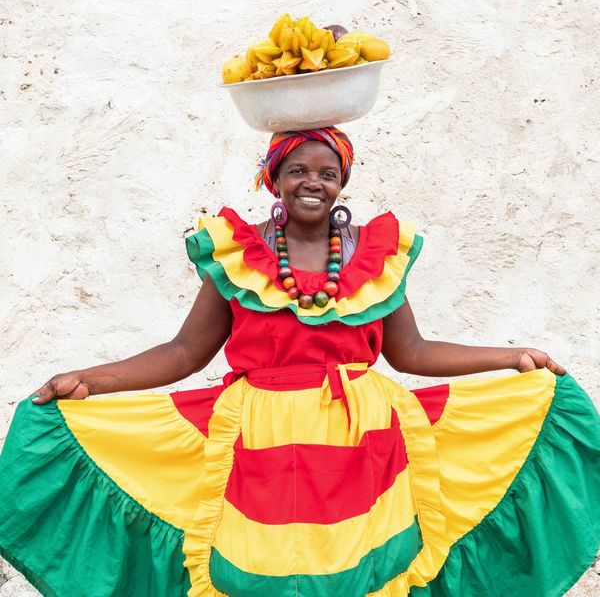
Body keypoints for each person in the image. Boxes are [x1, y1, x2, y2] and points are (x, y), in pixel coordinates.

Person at [0, 127, 598, 597]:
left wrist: (511, 356)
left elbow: (411, 352)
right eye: (298, 170)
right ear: (274, 178)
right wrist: (92, 381)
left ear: (343, 181)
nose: (313, 182)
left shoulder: (374, 256)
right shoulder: (239, 256)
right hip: (258, 443)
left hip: (364, 443)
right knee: (258, 574)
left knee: (361, 575)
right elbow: (184, 353)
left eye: (327, 172)